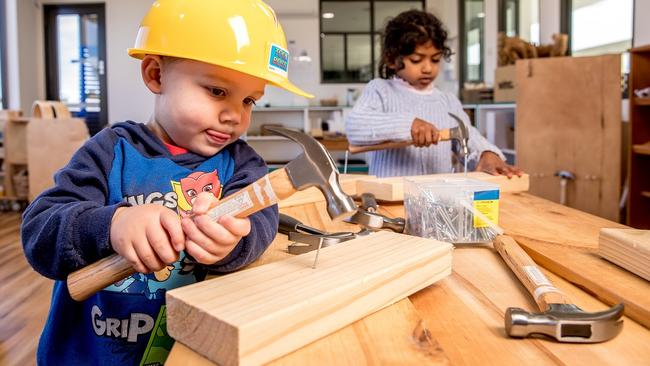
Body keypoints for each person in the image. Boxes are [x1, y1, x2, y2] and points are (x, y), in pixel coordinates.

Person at [21, 1, 312, 364]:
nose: (235, 115)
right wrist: (112, 225)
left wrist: (233, 242)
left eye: (249, 99)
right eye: (217, 91)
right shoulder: (110, 152)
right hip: (92, 352)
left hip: (189, 350)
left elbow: (261, 221)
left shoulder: (243, 164)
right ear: (156, 75)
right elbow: (39, 231)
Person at [345, 10, 522, 178]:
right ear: (392, 60)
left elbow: (467, 137)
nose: (428, 68)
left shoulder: (447, 101)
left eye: (435, 59)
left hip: (437, 202)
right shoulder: (380, 90)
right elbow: (355, 127)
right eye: (416, 60)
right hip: (388, 200)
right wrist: (408, 125)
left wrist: (486, 154)